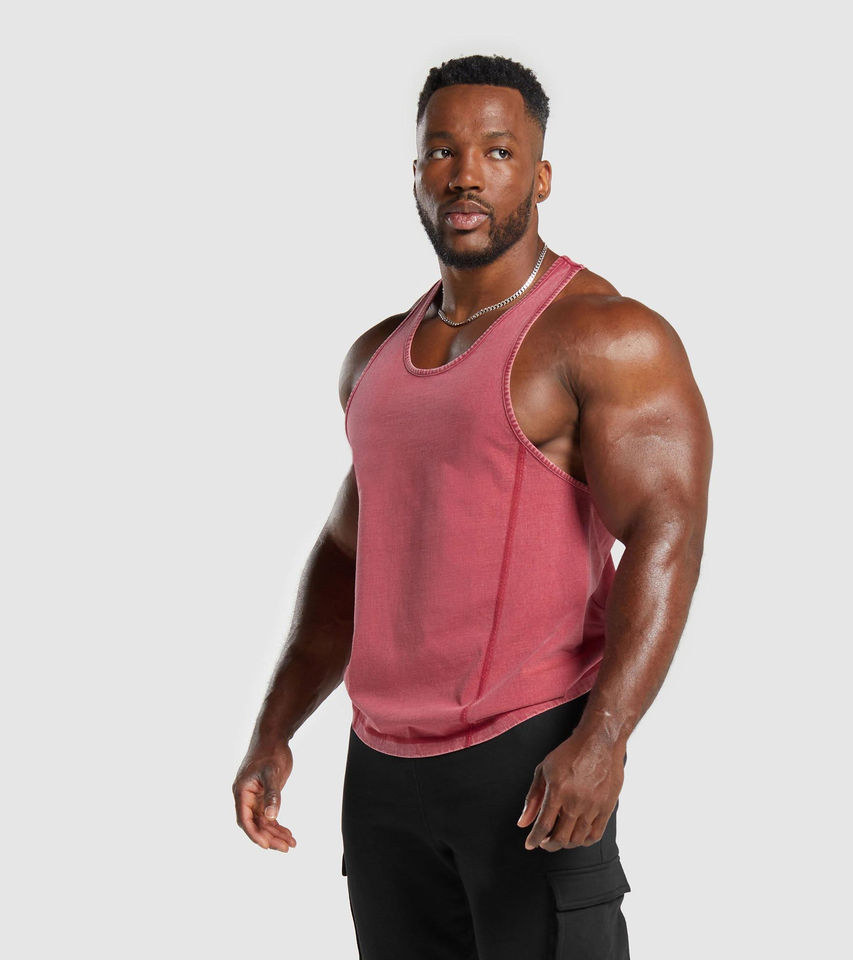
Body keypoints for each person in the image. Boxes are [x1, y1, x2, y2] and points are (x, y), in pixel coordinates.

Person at [233, 53, 712, 959]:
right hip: (383, 773)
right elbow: (348, 551)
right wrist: (274, 728)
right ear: (416, 174)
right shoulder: (374, 358)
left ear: (540, 176)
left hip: (531, 758)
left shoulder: (605, 336)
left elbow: (667, 531)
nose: (465, 174)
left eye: (496, 151)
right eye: (442, 151)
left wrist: (605, 737)